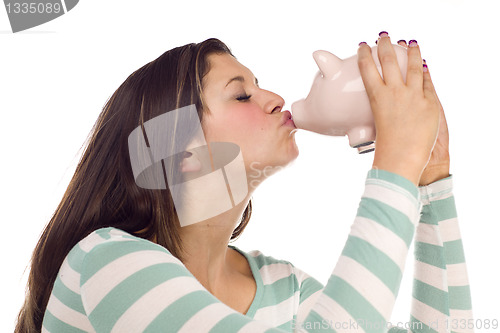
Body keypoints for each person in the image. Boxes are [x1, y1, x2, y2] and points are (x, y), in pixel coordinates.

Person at [15, 32, 473, 333]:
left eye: (260, 85)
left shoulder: (282, 289)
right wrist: (393, 168)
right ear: (179, 153)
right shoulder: (108, 265)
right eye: (241, 94)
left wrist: (432, 182)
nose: (275, 99)